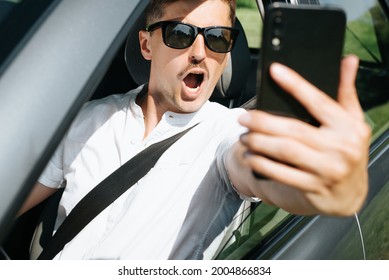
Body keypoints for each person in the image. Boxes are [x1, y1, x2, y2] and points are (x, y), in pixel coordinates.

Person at [19, 0, 371, 259]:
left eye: (218, 38)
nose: (200, 53)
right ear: (146, 45)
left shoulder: (226, 132)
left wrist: (313, 180)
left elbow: (260, 170)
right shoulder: (87, 118)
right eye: (180, 34)